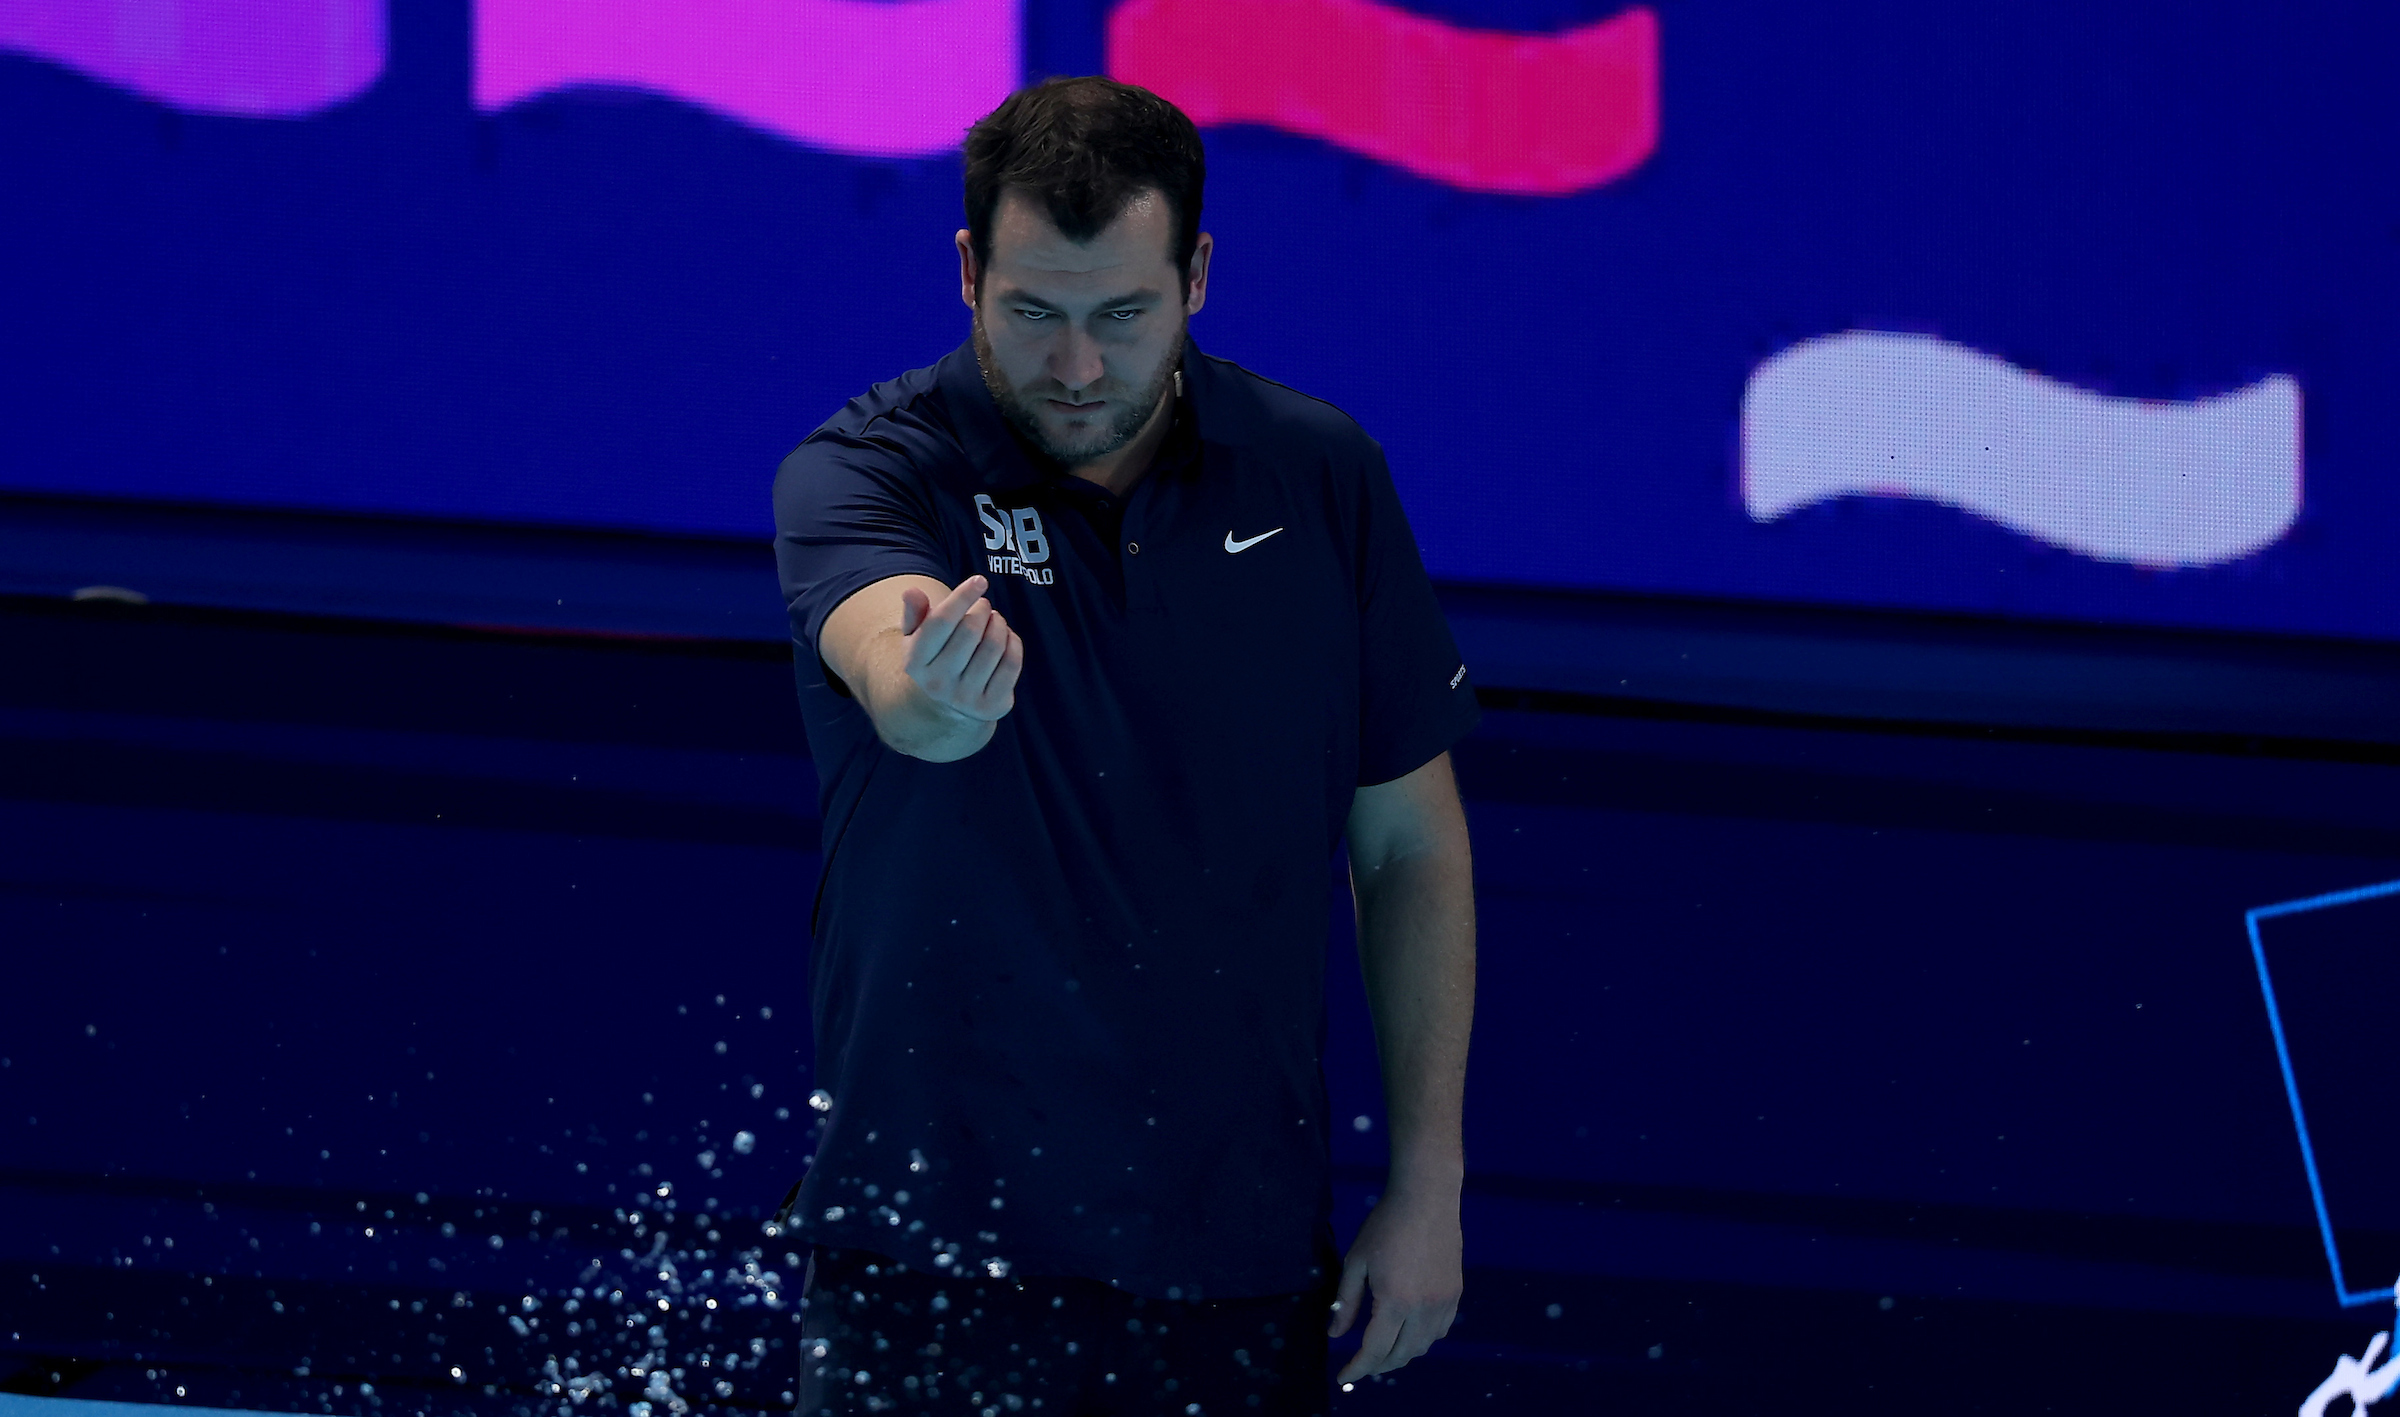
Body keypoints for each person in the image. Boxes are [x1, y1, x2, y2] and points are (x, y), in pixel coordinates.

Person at [770, 75, 1479, 1416]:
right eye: (1034, 313)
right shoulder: (870, 470)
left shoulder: (1321, 476)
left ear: (1197, 275)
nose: (1079, 367)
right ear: (969, 270)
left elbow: (1407, 843)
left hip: (1237, 1258)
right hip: (926, 1253)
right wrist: (928, 691)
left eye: (1123, 314)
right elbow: (885, 651)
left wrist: (1428, 1181)